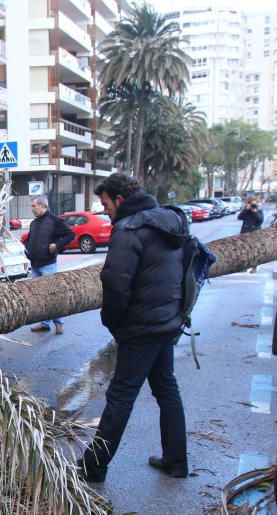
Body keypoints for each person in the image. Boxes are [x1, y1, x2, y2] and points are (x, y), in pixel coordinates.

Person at [77, 173, 189, 483]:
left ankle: (93, 466)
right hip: (168, 321)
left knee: (121, 396)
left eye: (106, 204)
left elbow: (115, 284)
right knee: (167, 389)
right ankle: (176, 461)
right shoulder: (171, 220)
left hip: (141, 329)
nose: (105, 210)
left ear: (120, 200)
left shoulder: (129, 230)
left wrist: (113, 323)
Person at [23, 196, 75, 334]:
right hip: (34, 265)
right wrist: (27, 250)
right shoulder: (34, 223)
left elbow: (71, 235)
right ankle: (44, 323)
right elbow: (30, 239)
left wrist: (57, 246)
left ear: (42, 205)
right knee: (40, 296)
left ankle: (59, 323)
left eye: (34, 206)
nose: (32, 208)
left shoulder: (55, 221)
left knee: (53, 295)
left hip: (48, 265)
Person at [237, 195, 264, 273]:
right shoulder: (246, 210)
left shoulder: (259, 210)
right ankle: (244, 267)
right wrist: (246, 209)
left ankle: (254, 267)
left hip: (255, 233)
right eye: (250, 202)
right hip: (245, 232)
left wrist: (255, 212)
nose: (252, 204)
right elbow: (239, 217)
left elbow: (260, 220)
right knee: (244, 250)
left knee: (254, 250)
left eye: (253, 201)